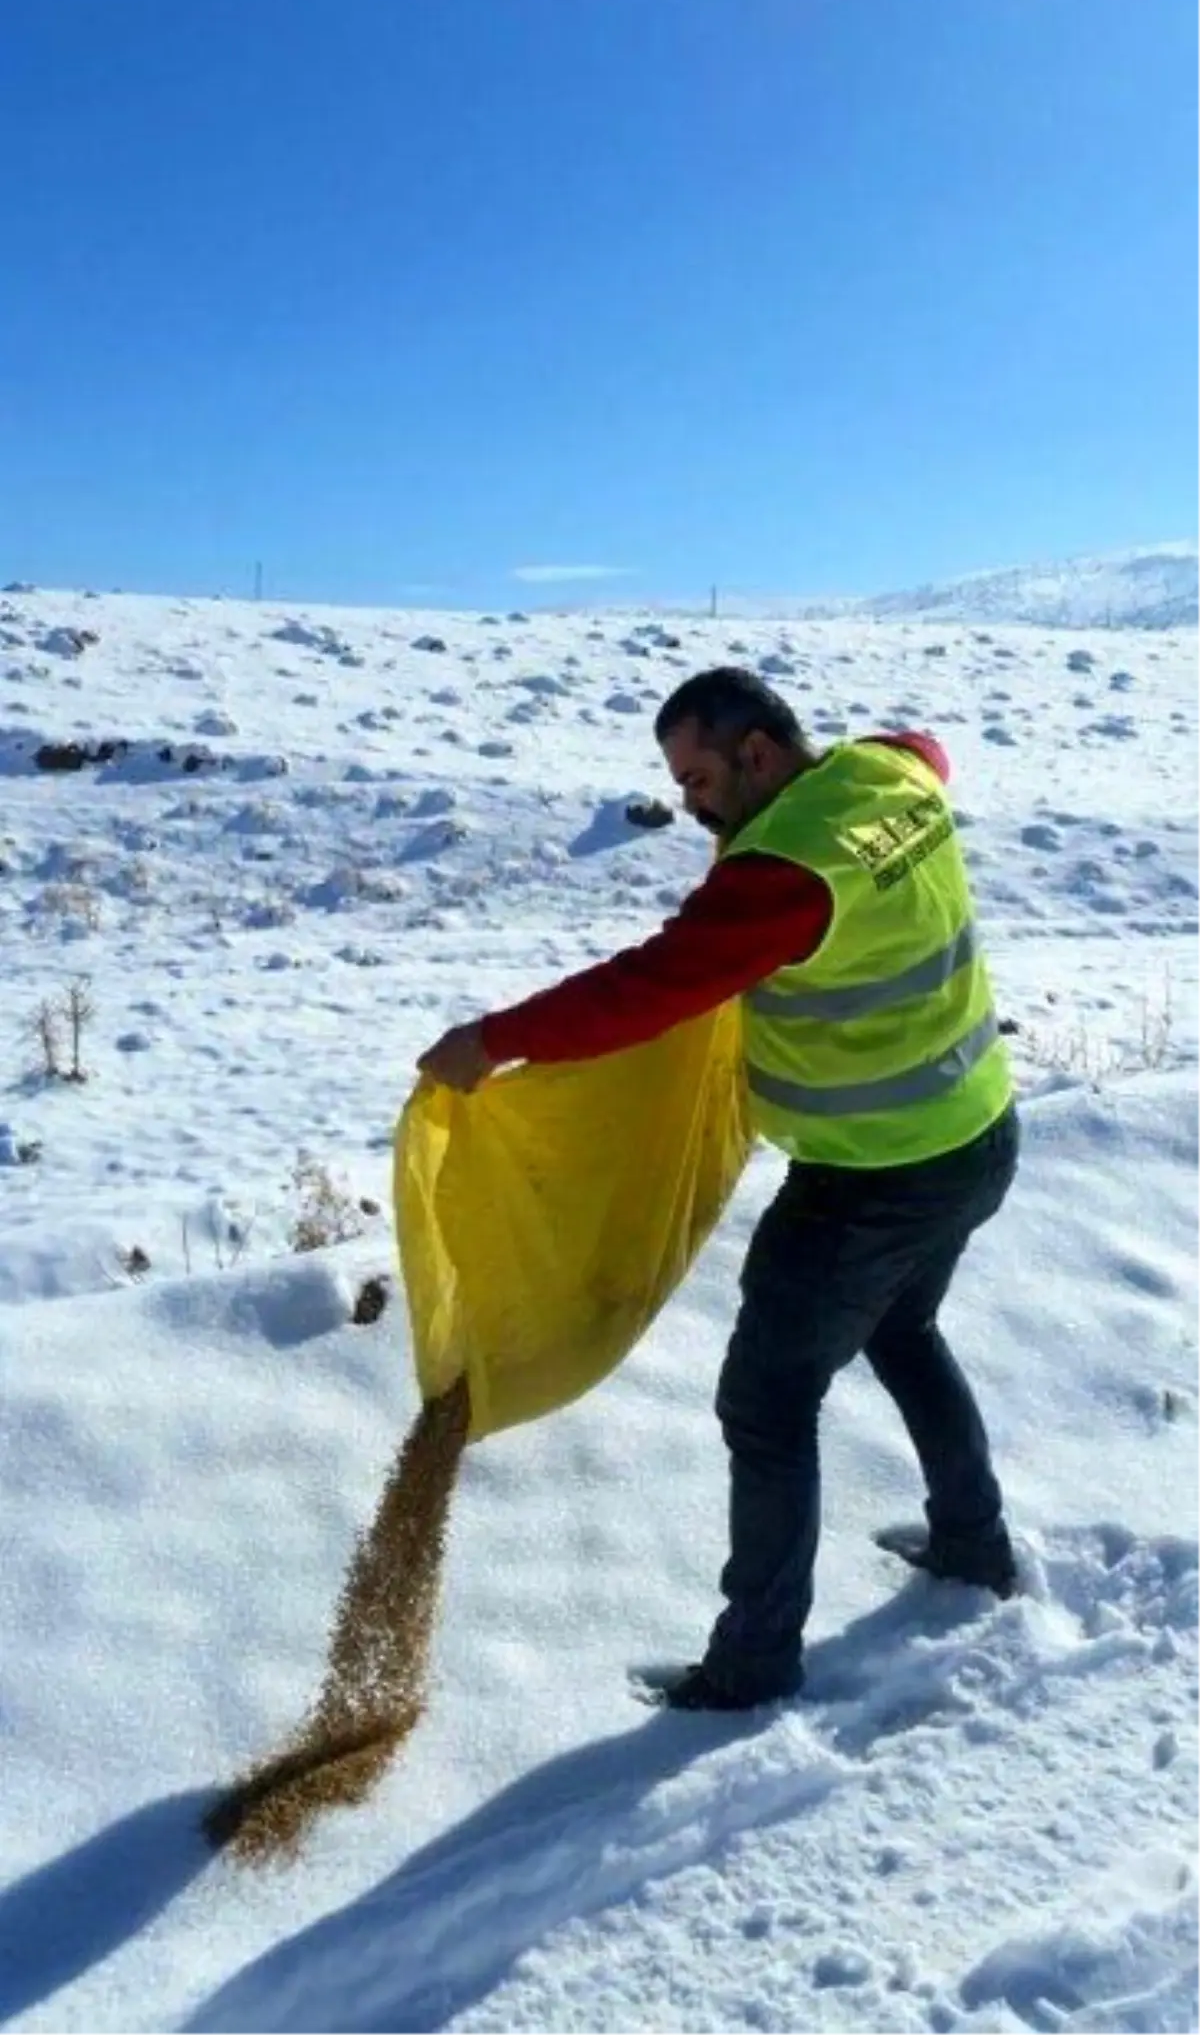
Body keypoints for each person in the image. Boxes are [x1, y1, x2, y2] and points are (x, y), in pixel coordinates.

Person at [418, 667, 1019, 1711]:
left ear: (757, 753)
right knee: (904, 1329)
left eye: (699, 778)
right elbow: (925, 742)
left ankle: (753, 1663)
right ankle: (975, 1545)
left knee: (767, 1399)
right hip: (975, 1133)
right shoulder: (889, 773)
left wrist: (494, 1039)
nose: (690, 804)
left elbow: (649, 987)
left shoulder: (782, 877)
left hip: (871, 1180)